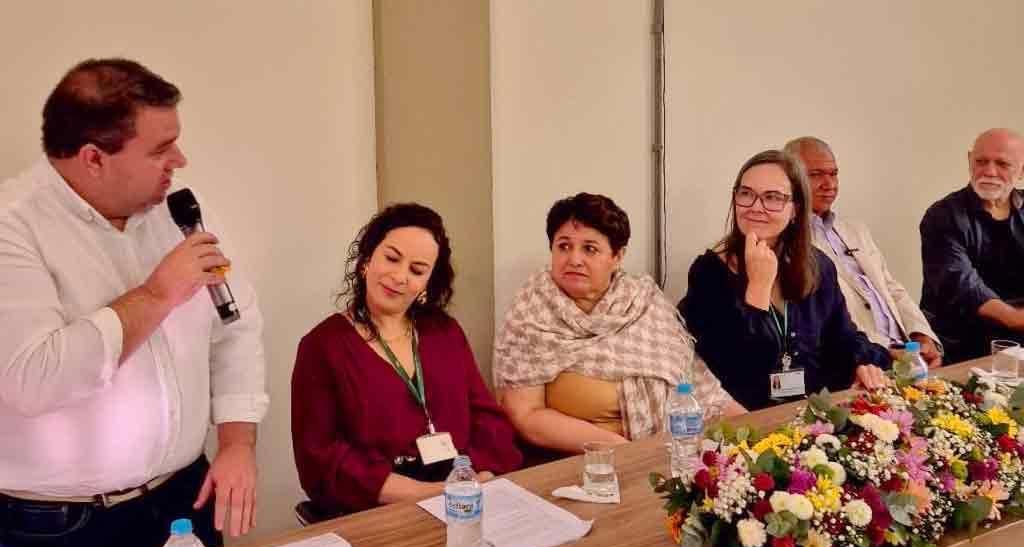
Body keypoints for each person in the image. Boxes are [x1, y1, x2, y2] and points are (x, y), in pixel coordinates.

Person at [0, 59, 267, 547]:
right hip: (60, 531)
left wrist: (237, 441)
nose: (180, 160)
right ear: (93, 158)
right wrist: (157, 294)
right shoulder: (13, 228)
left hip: (181, 504)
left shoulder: (178, 211)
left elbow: (235, 326)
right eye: (160, 149)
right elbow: (32, 379)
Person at [292, 203, 522, 516]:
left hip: (462, 497)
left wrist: (475, 477)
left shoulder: (445, 333)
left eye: (417, 270)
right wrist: (423, 493)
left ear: (427, 284)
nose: (399, 276)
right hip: (377, 511)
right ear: (367, 259)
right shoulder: (321, 346)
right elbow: (320, 459)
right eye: (392, 258)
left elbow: (488, 420)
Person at [494, 192, 743, 457]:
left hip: (667, 452)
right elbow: (526, 416)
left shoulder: (644, 302)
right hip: (577, 462)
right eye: (564, 246)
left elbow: (704, 393)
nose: (574, 259)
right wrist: (622, 450)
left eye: (589, 249)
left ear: (617, 256)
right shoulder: (530, 312)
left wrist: (758, 432)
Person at [680, 150, 890, 411]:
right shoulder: (708, 273)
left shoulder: (818, 266)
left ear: (796, 209)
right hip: (746, 419)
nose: (755, 207)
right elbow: (737, 368)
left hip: (814, 412)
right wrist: (758, 289)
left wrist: (864, 363)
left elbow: (843, 337)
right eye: (746, 194)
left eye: (772, 197)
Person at [784, 137, 942, 367]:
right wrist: (889, 353)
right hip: (863, 363)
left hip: (908, 356)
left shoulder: (856, 230)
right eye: (816, 175)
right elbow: (825, 323)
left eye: (834, 174)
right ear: (790, 180)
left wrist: (922, 336)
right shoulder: (788, 243)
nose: (829, 184)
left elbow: (892, 288)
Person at [920, 128, 1024, 362]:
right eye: (981, 161)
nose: (989, 171)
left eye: (1002, 164)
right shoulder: (942, 215)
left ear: (1022, 171)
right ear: (969, 161)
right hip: (961, 347)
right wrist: (1015, 318)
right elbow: (964, 288)